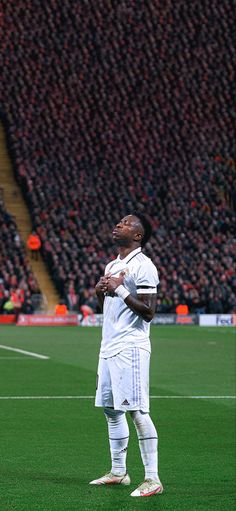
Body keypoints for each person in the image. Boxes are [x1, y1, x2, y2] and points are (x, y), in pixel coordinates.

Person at [90, 213, 163, 498]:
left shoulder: (144, 266)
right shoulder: (113, 264)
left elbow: (148, 312)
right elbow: (107, 307)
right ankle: (119, 472)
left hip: (131, 347)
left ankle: (153, 478)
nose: (118, 224)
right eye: (119, 221)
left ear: (137, 236)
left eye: (126, 223)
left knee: (137, 410)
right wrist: (101, 291)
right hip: (108, 346)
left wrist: (118, 287)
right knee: (111, 408)